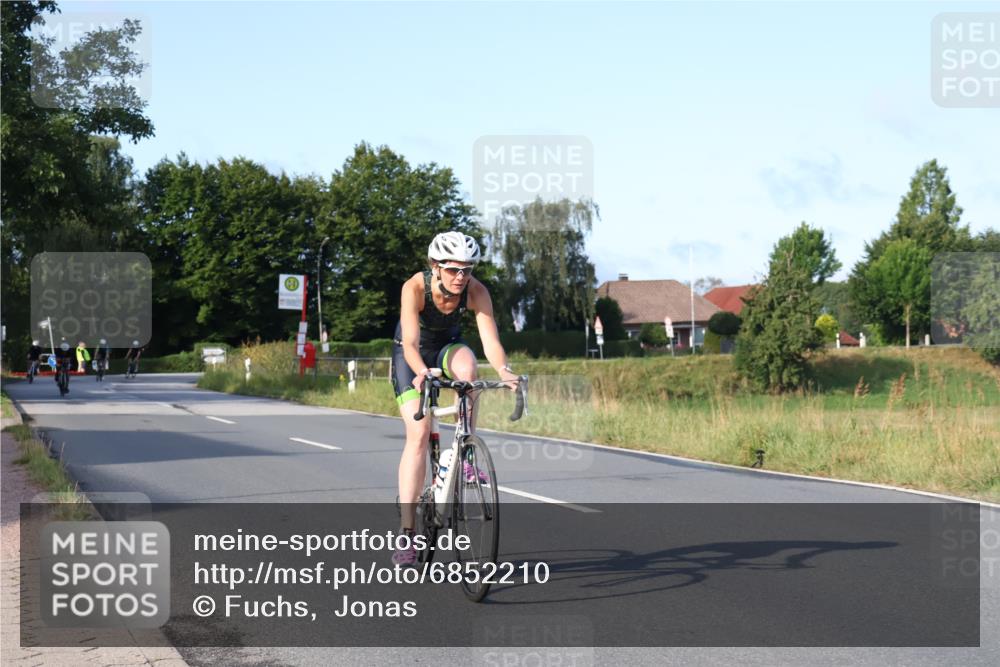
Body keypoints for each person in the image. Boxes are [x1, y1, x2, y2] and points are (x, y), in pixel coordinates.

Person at [390, 231, 519, 567]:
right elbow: (410, 344)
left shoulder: (476, 291)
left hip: (448, 347)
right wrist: (421, 372)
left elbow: (490, 341)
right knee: (418, 434)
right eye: (453, 269)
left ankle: (465, 452)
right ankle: (407, 533)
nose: (461, 276)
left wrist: (505, 371)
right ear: (436, 266)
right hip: (411, 355)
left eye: (467, 269)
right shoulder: (414, 287)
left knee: (469, 370)